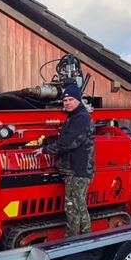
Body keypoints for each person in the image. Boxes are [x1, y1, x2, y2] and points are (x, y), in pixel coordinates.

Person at [34, 84, 95, 237]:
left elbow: (69, 142)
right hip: (74, 170)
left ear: (78, 100)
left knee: (73, 208)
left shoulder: (81, 118)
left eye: (70, 99)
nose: (67, 102)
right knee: (79, 206)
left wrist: (45, 150)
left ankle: (73, 242)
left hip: (77, 170)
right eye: (65, 100)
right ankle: (85, 238)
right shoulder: (74, 117)